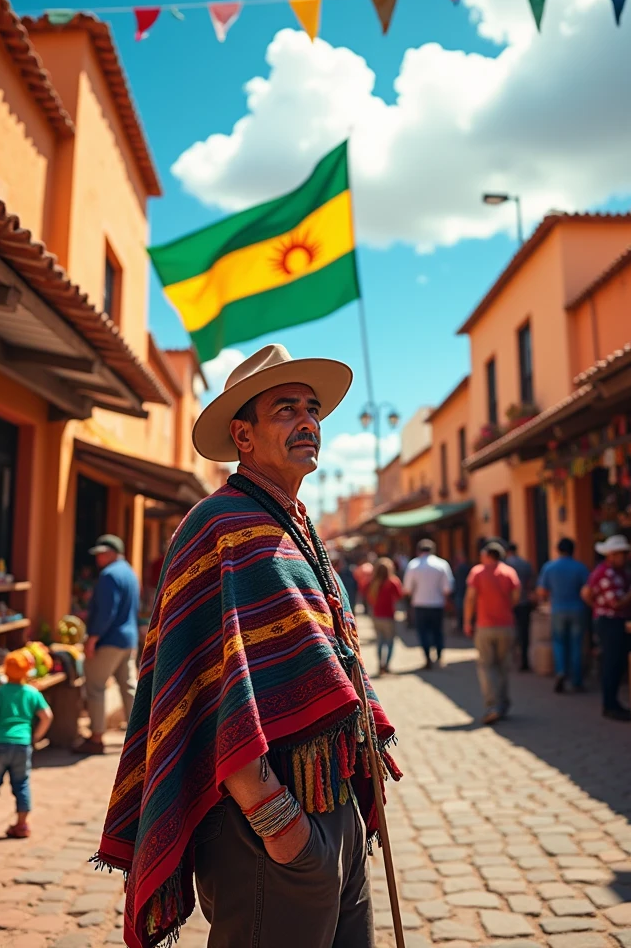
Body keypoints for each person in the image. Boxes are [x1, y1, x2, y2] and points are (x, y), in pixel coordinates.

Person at [95, 344, 400, 948]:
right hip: (264, 825)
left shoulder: (298, 526)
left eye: (312, 409)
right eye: (285, 409)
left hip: (332, 802)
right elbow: (209, 685)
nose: (308, 422)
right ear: (243, 434)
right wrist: (279, 824)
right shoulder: (217, 526)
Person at [74, 533, 140, 755]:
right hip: (128, 639)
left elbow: (106, 612)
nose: (98, 559)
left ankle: (96, 737)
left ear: (112, 553)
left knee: (95, 687)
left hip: (109, 640)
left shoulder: (109, 575)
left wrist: (92, 638)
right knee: (129, 687)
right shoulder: (129, 572)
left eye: (101, 554)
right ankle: (141, 736)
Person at [0, 650, 53, 839]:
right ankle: (21, 825)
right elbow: (47, 716)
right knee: (21, 784)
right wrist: (35, 737)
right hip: (22, 745)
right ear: (28, 671)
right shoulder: (32, 692)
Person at [581, 534, 631, 721]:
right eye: (622, 554)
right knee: (611, 662)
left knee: (617, 663)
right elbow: (616, 603)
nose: (625, 558)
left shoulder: (620, 572)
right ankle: (610, 704)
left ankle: (613, 703)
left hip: (617, 620)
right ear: (612, 555)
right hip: (610, 622)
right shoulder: (605, 573)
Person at [464, 542, 521, 724]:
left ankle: (492, 705)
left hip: (485, 625)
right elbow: (516, 596)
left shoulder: (478, 572)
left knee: (486, 666)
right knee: (503, 665)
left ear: (488, 555)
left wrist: (467, 621)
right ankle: (503, 703)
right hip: (506, 625)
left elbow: (470, 598)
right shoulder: (509, 572)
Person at [536, 537, 590, 693]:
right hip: (577, 609)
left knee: (559, 643)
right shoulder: (580, 568)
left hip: (558, 609)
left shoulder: (549, 567)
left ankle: (561, 671)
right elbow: (587, 591)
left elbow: (541, 591)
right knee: (576, 645)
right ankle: (577, 680)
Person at [403, 539, 454, 669]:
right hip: (437, 604)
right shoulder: (442, 564)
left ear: (418, 550)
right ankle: (439, 656)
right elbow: (448, 588)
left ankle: (427, 657)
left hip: (420, 604)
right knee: (438, 631)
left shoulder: (414, 565)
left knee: (423, 632)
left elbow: (407, 588)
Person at [367, 558, 403, 675]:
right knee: (390, 641)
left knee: (380, 641)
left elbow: (369, 598)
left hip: (376, 615)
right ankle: (386, 665)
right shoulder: (393, 581)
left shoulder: (372, 582)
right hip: (388, 615)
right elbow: (399, 595)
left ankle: (380, 664)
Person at [505, 543, 536, 672]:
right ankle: (524, 659)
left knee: (510, 632)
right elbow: (532, 583)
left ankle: (511, 659)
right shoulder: (526, 564)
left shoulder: (505, 566)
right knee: (524, 633)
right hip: (524, 603)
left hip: (509, 604)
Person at [453, 551, 472, 633]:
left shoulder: (462, 567)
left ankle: (461, 627)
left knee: (460, 611)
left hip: (461, 591)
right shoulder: (465, 567)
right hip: (461, 591)